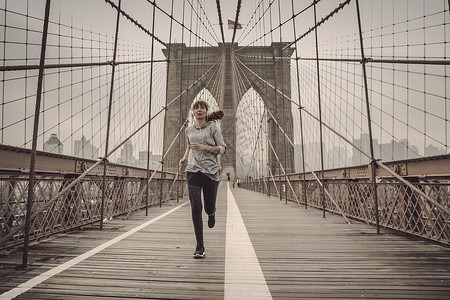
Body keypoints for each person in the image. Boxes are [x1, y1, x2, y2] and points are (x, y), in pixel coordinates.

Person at [179, 100, 226, 259]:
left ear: (206, 111)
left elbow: (222, 148)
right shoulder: (188, 130)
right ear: (193, 112)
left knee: (207, 207)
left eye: (202, 108)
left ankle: (211, 213)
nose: (199, 110)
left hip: (210, 171)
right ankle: (199, 245)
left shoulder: (213, 127)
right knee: (195, 206)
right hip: (192, 170)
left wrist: (205, 147)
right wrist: (184, 157)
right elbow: (189, 145)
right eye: (196, 108)